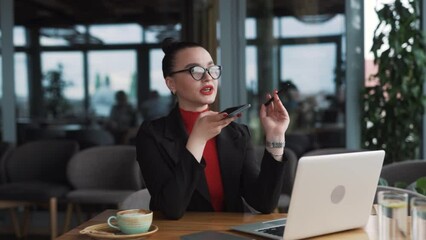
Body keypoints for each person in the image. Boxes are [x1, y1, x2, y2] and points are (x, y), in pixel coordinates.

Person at [135, 38, 290, 220]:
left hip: (230, 234)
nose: (208, 77)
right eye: (196, 70)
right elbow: (171, 208)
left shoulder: (237, 133)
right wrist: (197, 140)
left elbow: (264, 203)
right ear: (171, 84)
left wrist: (275, 136)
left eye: (211, 69)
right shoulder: (152, 134)